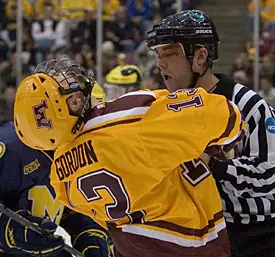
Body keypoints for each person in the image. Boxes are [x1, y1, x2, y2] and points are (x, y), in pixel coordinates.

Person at [13, 57, 245, 257]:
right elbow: (223, 114)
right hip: (190, 242)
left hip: (129, 246)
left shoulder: (60, 176)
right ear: (70, 104)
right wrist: (227, 136)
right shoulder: (127, 120)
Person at [147, 9, 275, 257]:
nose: (159, 63)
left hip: (258, 236)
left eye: (170, 53)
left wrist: (215, 166)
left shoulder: (248, 104)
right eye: (158, 54)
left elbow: (269, 174)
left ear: (200, 56)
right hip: (200, 235)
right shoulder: (165, 109)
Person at [0, 84, 112, 257]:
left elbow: (72, 205)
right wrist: (8, 232)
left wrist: (91, 236)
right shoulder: (11, 146)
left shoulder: (74, 150)